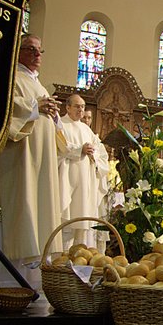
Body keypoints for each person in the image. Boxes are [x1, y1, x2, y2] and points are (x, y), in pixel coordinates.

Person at [0, 33, 63, 288]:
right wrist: (36, 108)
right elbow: (3, 110)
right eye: (30, 49)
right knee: (20, 208)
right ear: (17, 51)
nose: (37, 55)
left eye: (40, 51)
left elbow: (47, 117)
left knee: (37, 207)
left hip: (39, 161)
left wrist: (54, 114)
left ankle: (30, 282)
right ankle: (5, 284)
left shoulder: (38, 84)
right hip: (18, 161)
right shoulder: (10, 77)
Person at [57, 94, 109, 251]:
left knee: (82, 219)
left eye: (83, 106)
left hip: (86, 180)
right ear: (67, 107)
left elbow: (98, 151)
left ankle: (79, 254)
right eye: (77, 106)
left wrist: (92, 153)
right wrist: (80, 150)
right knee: (66, 222)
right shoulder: (61, 126)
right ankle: (61, 258)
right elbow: (59, 150)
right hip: (68, 179)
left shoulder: (86, 129)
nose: (81, 109)